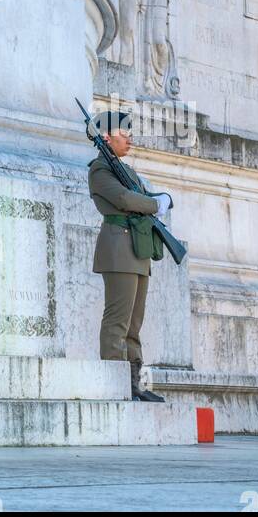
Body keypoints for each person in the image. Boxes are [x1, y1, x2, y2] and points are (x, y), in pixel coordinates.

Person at [87, 109, 172, 403]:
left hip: (137, 250)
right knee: (118, 320)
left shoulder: (128, 172)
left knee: (134, 325)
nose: (130, 139)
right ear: (106, 137)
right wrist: (154, 203)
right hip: (118, 248)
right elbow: (124, 199)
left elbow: (141, 198)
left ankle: (135, 384)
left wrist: (157, 200)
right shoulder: (100, 171)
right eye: (125, 134)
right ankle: (113, 383)